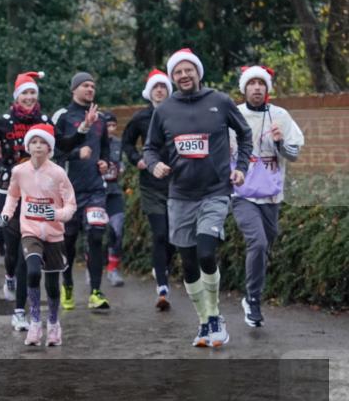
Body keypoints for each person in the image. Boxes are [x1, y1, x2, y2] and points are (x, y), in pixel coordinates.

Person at [144, 48, 252, 348]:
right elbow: (150, 148)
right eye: (177, 72)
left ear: (198, 72)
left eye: (188, 69)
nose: (183, 75)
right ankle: (204, 320)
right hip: (179, 196)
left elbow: (244, 135)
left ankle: (216, 315)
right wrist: (155, 165)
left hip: (215, 192)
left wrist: (240, 168)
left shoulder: (219, 101)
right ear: (172, 77)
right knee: (189, 262)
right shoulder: (164, 110)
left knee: (206, 253)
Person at [0, 71, 54, 329]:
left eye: (33, 93)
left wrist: (84, 130)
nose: (29, 97)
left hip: (37, 192)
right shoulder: (5, 121)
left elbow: (65, 147)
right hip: (10, 191)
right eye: (25, 93)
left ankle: (19, 312)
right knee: (11, 245)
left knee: (23, 251)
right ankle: (8, 276)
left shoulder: (45, 120)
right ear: (17, 97)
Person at [230, 65, 304, 328]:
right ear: (244, 88)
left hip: (272, 196)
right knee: (258, 243)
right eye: (252, 84)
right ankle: (253, 299)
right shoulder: (234, 115)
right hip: (242, 195)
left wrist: (281, 142)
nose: (257, 88)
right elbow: (216, 149)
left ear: (268, 89)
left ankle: (252, 291)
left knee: (264, 246)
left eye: (262, 83)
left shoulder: (280, 116)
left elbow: (294, 154)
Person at [0, 124, 75, 347]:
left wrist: (58, 214)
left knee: (52, 284)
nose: (38, 146)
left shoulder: (59, 173)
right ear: (28, 146)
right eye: (34, 142)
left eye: (42, 142)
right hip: (30, 232)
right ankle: (34, 322)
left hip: (54, 234)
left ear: (50, 147)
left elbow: (71, 204)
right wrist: (6, 214)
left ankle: (53, 323)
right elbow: (12, 197)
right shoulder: (19, 172)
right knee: (32, 271)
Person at [52, 72, 109, 311]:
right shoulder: (63, 117)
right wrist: (76, 154)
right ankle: (67, 287)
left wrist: (105, 163)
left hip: (95, 188)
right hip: (68, 192)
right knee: (68, 241)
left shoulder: (101, 118)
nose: (90, 89)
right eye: (85, 85)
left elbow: (105, 149)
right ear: (74, 89)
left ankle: (95, 292)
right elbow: (54, 151)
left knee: (96, 237)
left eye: (93, 86)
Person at [122, 70, 176, 310]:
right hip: (151, 184)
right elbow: (127, 143)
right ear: (149, 92)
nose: (160, 91)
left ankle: (162, 265)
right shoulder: (141, 118)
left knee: (174, 236)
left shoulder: (178, 113)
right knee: (161, 233)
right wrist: (137, 160)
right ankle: (162, 287)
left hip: (177, 183)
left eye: (164, 87)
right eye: (156, 87)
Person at [102, 112, 126, 287]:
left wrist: (121, 168)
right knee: (96, 234)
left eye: (113, 126)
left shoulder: (119, 143)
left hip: (114, 192)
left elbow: (122, 163)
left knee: (117, 229)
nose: (110, 129)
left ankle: (112, 269)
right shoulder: (93, 143)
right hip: (96, 194)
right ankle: (91, 267)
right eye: (107, 126)